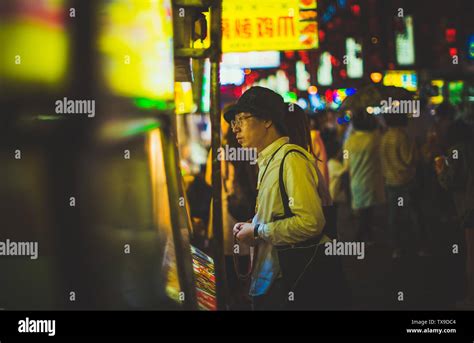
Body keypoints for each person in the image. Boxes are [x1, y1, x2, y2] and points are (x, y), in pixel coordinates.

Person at [225, 87, 328, 310]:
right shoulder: (268, 161)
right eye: (235, 122)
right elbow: (278, 213)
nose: (236, 128)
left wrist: (259, 231)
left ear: (267, 121)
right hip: (269, 277)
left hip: (287, 280)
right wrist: (253, 227)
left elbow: (311, 222)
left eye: (242, 119)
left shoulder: (290, 160)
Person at [205, 108, 256, 310]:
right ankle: (244, 293)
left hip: (225, 212)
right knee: (245, 255)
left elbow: (210, 179)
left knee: (227, 256)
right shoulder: (251, 149)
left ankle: (230, 296)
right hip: (248, 212)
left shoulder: (219, 150)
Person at [436, 120, 474, 309]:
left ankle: (471, 298)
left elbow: (451, 181)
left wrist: (441, 169)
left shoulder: (456, 151)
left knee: (471, 253)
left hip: (470, 208)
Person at [380, 111, 428, 258]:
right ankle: (421, 247)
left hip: (390, 182)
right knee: (415, 214)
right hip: (405, 181)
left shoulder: (385, 137)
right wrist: (417, 146)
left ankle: (397, 248)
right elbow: (409, 160)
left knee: (394, 216)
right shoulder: (402, 136)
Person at [343, 107, 385, 244]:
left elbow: (346, 165)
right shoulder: (375, 138)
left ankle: (363, 239)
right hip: (372, 180)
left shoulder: (350, 141)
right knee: (368, 213)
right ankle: (362, 238)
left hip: (356, 182)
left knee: (363, 214)